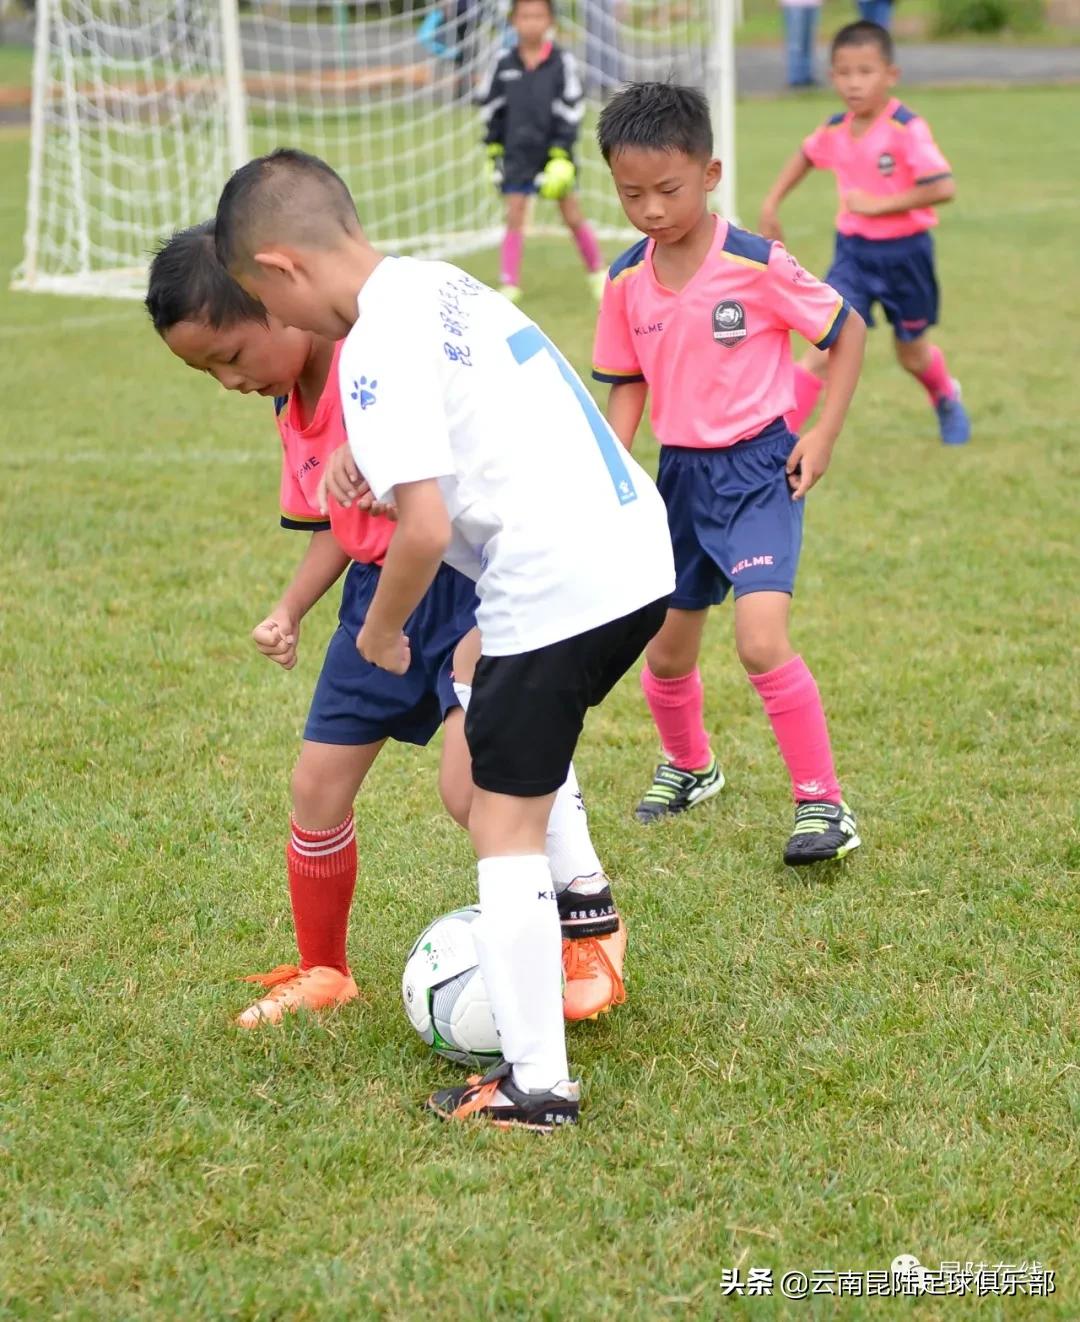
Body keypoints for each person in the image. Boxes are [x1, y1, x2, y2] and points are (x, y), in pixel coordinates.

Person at [213, 148, 674, 1130]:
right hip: (630, 549)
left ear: (284, 267)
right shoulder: (438, 283)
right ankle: (584, 914)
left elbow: (420, 533)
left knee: (498, 826)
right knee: (483, 757)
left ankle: (534, 1086)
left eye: (266, 298)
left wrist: (383, 634)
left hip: (560, 580)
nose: (283, 324)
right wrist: (362, 455)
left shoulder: (373, 341)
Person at [144, 220, 630, 1030]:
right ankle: (326, 969)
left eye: (229, 355)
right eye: (206, 370)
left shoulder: (369, 361)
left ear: (279, 304)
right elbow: (337, 523)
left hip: (461, 585)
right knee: (316, 786)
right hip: (378, 596)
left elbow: (436, 499)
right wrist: (290, 608)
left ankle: (578, 938)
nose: (226, 379)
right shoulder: (286, 404)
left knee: (471, 790)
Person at [593, 81, 866, 866]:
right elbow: (628, 379)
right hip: (679, 479)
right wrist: (615, 468)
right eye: (630, 193)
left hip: (757, 470)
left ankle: (823, 805)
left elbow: (846, 334)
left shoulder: (756, 263)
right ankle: (690, 766)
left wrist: (824, 432)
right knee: (667, 653)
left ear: (710, 174)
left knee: (758, 639)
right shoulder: (623, 280)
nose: (650, 209)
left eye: (668, 190)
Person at [760, 21, 970, 446]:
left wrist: (880, 204)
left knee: (911, 353)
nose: (853, 83)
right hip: (853, 254)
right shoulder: (835, 128)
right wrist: (771, 202)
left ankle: (946, 395)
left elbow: (943, 186)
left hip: (906, 254)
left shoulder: (906, 128)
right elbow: (805, 154)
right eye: (843, 72)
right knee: (825, 344)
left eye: (865, 71)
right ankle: (781, 444)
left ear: (891, 75)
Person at [476, 0, 605, 304]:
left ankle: (598, 272)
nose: (531, 22)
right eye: (525, 16)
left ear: (550, 22)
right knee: (515, 213)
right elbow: (491, 107)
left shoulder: (562, 62)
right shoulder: (502, 63)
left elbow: (573, 109)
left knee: (572, 213)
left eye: (538, 16)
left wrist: (561, 154)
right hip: (516, 154)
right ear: (512, 21)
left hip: (554, 154)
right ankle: (509, 283)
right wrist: (493, 149)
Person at [780, 0, 822, 89]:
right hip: (794, 4)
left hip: (812, 4)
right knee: (795, 43)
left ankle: (807, 76)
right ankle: (795, 78)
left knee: (808, 43)